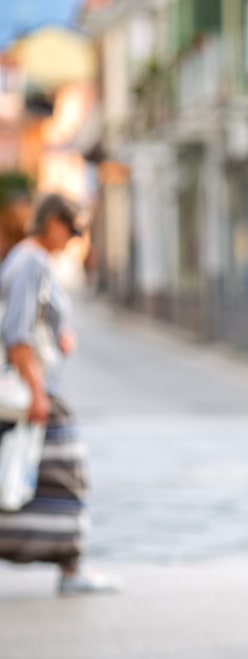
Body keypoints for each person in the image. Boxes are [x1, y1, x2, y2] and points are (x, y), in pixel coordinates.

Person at [0, 192, 122, 596]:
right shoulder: (32, 261)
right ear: (53, 222)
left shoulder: (26, 258)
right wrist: (37, 393)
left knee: (30, 480)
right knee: (65, 478)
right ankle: (72, 570)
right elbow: (16, 335)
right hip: (35, 392)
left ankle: (71, 565)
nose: (75, 239)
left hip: (36, 388)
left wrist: (59, 334)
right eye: (74, 229)